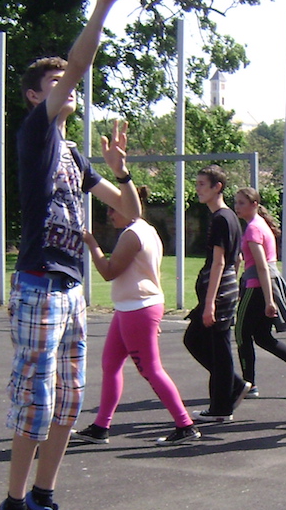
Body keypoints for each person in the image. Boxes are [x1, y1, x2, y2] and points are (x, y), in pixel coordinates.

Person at [0, 0, 143, 510]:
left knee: (69, 401)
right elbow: (79, 63)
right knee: (34, 406)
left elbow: (130, 211)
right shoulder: (36, 134)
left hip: (72, 287)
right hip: (37, 284)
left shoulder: (75, 158)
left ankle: (42, 497)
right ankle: (11, 508)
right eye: (57, 83)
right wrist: (104, 3)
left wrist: (120, 171)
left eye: (67, 83)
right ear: (36, 95)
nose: (70, 87)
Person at [74, 186, 201, 447]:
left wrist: (91, 243)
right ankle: (101, 426)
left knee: (151, 369)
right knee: (110, 364)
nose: (109, 214)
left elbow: (109, 271)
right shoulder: (146, 230)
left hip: (138, 308)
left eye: (113, 208)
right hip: (130, 307)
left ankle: (185, 425)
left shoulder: (133, 234)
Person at [231, 186, 286, 399]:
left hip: (257, 287)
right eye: (236, 202)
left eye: (242, 203)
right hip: (262, 286)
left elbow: (262, 267)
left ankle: (249, 385)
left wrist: (270, 300)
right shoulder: (259, 225)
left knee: (241, 333)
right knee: (262, 337)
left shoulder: (253, 228)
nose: (237, 207)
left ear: (254, 204)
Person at [183, 165, 247, 423]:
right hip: (225, 289)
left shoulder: (221, 219)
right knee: (199, 340)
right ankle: (233, 386)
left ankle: (222, 406)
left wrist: (210, 303)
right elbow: (237, 258)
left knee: (214, 346)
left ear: (217, 187)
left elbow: (220, 262)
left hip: (219, 292)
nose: (197, 189)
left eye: (202, 184)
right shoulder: (229, 217)